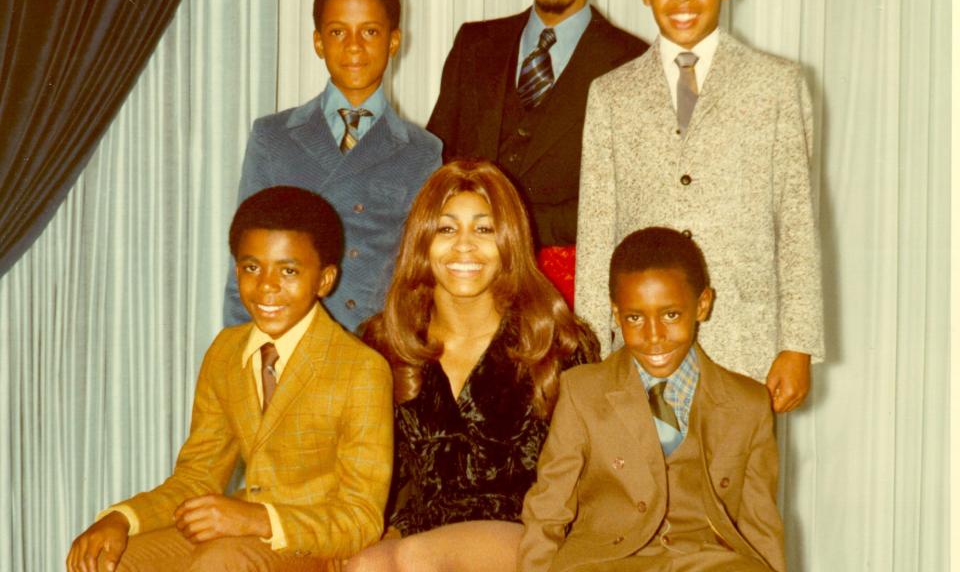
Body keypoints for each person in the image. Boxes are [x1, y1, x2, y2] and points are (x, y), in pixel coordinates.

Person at [575, 0, 823, 411]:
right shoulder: (611, 94)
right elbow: (597, 227)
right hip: (642, 345)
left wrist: (797, 344)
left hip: (745, 343)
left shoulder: (776, 85)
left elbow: (796, 219)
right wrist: (594, 347)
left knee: (738, 484)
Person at [67, 186, 393, 571]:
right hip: (238, 539)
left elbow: (360, 519)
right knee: (109, 561)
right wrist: (121, 518)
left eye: (288, 271)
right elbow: (197, 478)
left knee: (219, 561)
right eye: (251, 267)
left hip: (317, 548)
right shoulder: (225, 351)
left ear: (324, 280)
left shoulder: (361, 370)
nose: (267, 286)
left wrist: (255, 519)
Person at [347, 160, 598, 572]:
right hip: (422, 531)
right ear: (422, 241)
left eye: (484, 229)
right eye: (446, 229)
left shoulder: (558, 343)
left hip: (529, 534)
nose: (464, 246)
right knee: (365, 565)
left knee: (413, 558)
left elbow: (591, 478)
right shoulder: (384, 343)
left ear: (510, 242)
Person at [426, 0, 647, 307]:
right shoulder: (474, 44)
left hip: (571, 299)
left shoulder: (634, 62)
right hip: (468, 291)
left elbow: (628, 200)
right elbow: (437, 165)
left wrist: (506, 227)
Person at [520, 227, 785, 571]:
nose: (654, 336)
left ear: (702, 304)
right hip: (605, 561)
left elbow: (760, 525)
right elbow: (547, 511)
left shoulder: (748, 403)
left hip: (706, 561)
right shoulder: (581, 392)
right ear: (616, 315)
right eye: (635, 318)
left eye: (671, 314)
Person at [224, 0, 441, 333]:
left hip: (379, 351)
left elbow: (423, 278)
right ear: (318, 42)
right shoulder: (273, 137)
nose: (354, 47)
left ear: (393, 41)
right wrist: (239, 354)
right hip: (291, 344)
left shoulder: (423, 151)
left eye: (369, 32)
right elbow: (244, 261)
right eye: (338, 32)